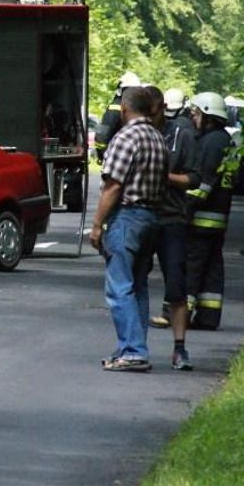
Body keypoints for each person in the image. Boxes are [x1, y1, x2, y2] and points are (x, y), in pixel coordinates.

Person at [90, 85, 167, 372]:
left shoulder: (126, 137)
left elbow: (113, 186)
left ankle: (133, 351)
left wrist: (97, 225)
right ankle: (132, 347)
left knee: (119, 287)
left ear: (124, 109)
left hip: (127, 218)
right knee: (139, 286)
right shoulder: (157, 138)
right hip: (151, 218)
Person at [143, 86, 200, 370]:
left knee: (176, 284)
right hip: (140, 216)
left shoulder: (182, 135)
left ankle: (180, 349)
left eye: (152, 111)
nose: (149, 117)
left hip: (172, 218)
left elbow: (194, 179)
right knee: (133, 282)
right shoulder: (135, 132)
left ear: (162, 107)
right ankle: (134, 346)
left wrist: (164, 177)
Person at [184, 92, 236, 330]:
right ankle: (208, 316)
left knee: (191, 267)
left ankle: (180, 314)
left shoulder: (210, 142)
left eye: (195, 114)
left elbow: (201, 185)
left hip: (202, 220)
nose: (193, 119)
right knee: (212, 268)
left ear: (206, 114)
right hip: (218, 218)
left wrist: (182, 209)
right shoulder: (225, 140)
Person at [93, 71, 141, 164]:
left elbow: (101, 134)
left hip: (117, 157)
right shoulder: (136, 108)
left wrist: (101, 153)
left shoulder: (115, 107)